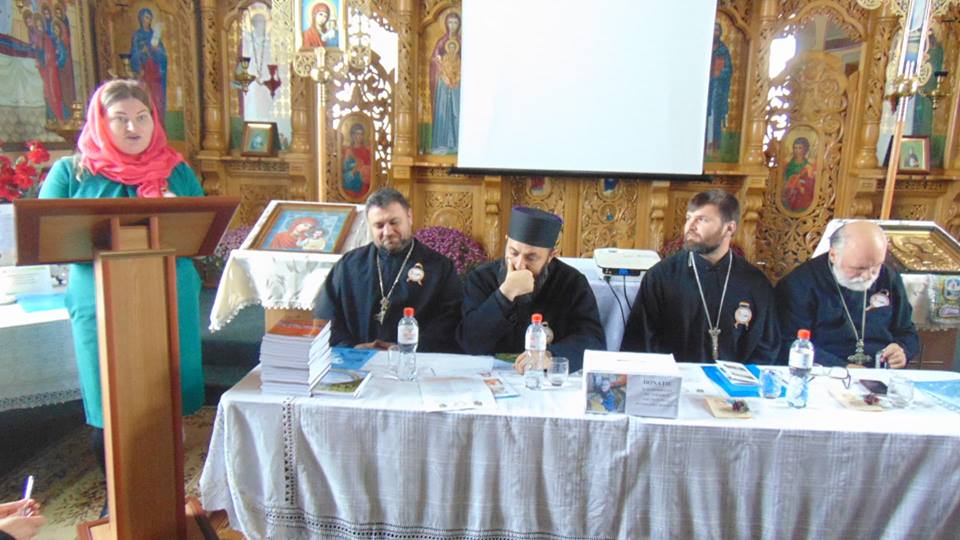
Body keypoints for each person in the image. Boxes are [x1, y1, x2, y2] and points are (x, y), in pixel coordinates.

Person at [38, 79, 206, 514]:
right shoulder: (72, 172)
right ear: (100, 122)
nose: (134, 127)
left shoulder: (176, 170)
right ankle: (118, 503)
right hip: (101, 300)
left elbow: (202, 226)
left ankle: (166, 496)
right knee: (109, 402)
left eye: (142, 117)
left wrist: (174, 208)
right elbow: (45, 231)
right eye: (121, 119)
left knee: (165, 399)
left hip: (168, 294)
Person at [621, 189, 780, 363]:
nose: (690, 226)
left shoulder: (755, 283)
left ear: (729, 228)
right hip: (674, 376)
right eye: (689, 218)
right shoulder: (661, 276)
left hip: (735, 380)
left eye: (702, 220)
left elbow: (767, 347)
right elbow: (639, 342)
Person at [457, 207, 605, 373]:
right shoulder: (481, 278)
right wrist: (505, 294)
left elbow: (593, 341)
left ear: (550, 256)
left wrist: (550, 356)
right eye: (513, 253)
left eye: (531, 257)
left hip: (545, 378)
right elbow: (469, 343)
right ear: (506, 242)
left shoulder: (572, 282)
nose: (520, 265)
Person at [314, 188, 463, 351]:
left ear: (409, 217)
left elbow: (449, 320)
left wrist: (408, 349)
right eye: (379, 225)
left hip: (415, 359)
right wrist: (352, 348)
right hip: (355, 359)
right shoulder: (349, 265)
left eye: (394, 222)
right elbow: (326, 316)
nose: (388, 232)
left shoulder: (439, 267)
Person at [776, 221, 919, 368]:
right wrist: (842, 367)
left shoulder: (888, 276)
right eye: (859, 268)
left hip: (881, 371)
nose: (868, 276)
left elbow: (907, 331)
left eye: (875, 266)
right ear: (833, 255)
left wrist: (902, 350)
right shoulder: (800, 283)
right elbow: (789, 343)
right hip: (825, 372)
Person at [130, 8, 168, 122]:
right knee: (145, 98)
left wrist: (156, 51)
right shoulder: (137, 36)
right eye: (146, 17)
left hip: (155, 73)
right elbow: (134, 55)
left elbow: (163, 56)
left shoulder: (154, 35)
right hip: (144, 71)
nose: (148, 20)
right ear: (141, 18)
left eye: (150, 18)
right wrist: (142, 52)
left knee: (157, 98)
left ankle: (158, 122)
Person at [782, 137, 816, 213]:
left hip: (801, 197)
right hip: (787, 195)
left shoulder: (808, 166)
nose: (797, 150)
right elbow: (782, 178)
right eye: (795, 148)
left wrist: (799, 185)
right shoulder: (787, 164)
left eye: (800, 148)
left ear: (805, 149)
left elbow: (811, 184)